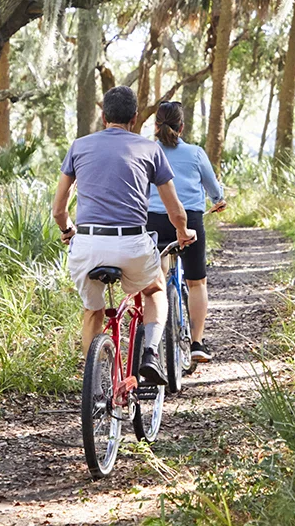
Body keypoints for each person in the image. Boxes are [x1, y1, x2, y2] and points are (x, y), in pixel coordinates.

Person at [51, 86, 197, 386]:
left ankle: (98, 381)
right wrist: (183, 232)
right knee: (155, 289)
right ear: (134, 118)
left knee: (93, 310)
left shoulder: (79, 146)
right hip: (131, 243)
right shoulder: (151, 149)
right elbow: (175, 210)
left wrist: (68, 231)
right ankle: (151, 355)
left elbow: (58, 210)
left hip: (88, 245)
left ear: (103, 116)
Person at [145, 101, 226, 362]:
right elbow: (213, 188)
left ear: (156, 126)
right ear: (182, 127)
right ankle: (197, 343)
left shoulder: (146, 151)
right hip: (189, 219)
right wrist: (218, 200)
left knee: (156, 281)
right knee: (196, 281)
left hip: (153, 220)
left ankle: (153, 344)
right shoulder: (195, 153)